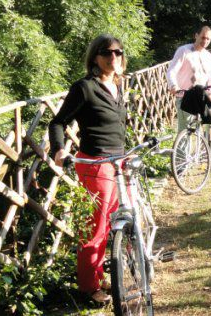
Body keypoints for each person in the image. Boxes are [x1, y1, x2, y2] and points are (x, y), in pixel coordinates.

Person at [49, 34, 128, 304]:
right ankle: (87, 288)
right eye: (107, 53)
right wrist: (59, 149)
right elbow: (58, 122)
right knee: (94, 229)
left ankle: (98, 274)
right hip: (95, 164)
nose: (113, 58)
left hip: (119, 163)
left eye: (118, 52)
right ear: (95, 57)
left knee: (110, 224)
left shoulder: (117, 84)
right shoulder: (85, 87)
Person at [166, 25, 211, 151]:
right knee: (185, 131)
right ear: (196, 35)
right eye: (203, 37)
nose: (205, 41)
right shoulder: (184, 51)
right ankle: (181, 165)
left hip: (204, 93)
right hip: (186, 94)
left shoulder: (209, 57)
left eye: (208, 39)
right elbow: (171, 71)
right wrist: (173, 85)